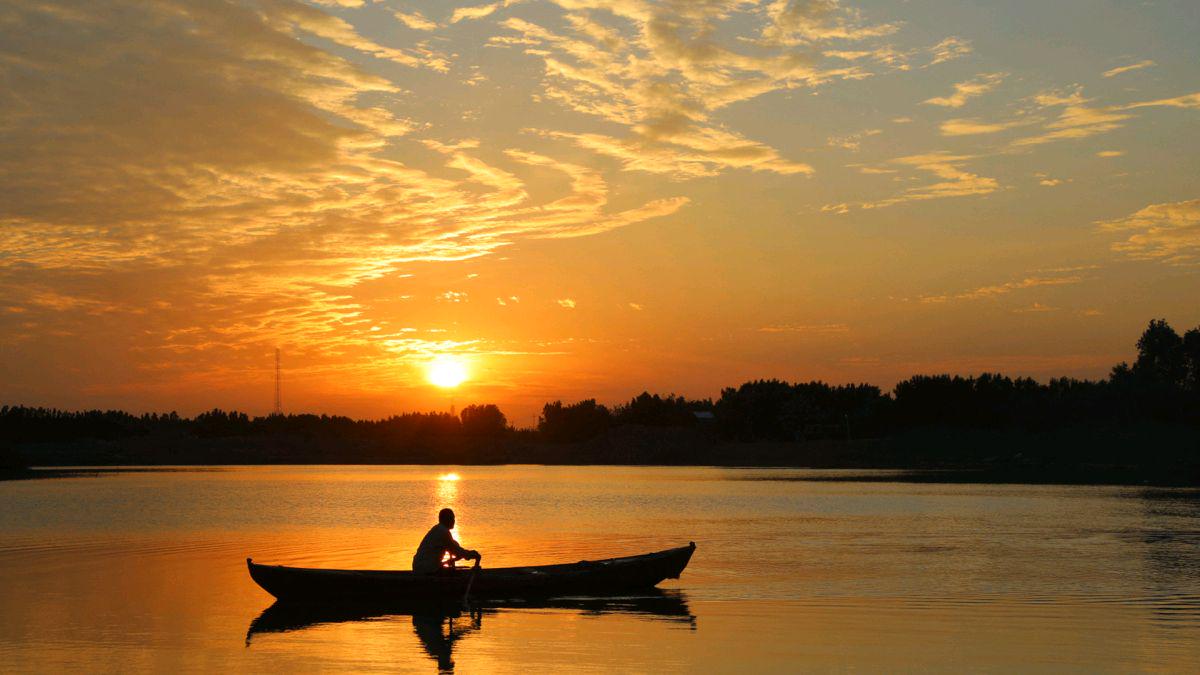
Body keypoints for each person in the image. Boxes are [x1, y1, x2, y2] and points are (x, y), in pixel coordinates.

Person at [412, 508, 480, 574]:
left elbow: (454, 547)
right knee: (455, 575)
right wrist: (471, 554)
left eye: (453, 518)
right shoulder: (443, 532)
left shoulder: (438, 529)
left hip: (421, 567)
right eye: (451, 518)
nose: (453, 521)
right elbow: (457, 551)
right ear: (445, 519)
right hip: (426, 569)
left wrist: (461, 555)